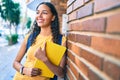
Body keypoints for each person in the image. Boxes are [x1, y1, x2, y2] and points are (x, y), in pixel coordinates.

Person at [13, 2, 67, 80]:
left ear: (53, 17)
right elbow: (15, 62)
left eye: (44, 13)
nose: (39, 16)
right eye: (37, 12)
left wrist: (45, 59)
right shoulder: (30, 37)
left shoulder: (61, 40)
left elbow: (61, 74)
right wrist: (24, 70)